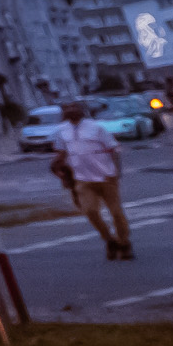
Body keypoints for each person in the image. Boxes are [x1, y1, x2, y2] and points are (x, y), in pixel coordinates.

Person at [45, 101, 135, 260]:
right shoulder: (61, 131)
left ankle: (124, 242)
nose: (71, 110)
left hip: (106, 177)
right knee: (90, 211)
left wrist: (116, 172)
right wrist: (57, 168)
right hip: (82, 179)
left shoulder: (96, 128)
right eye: (67, 108)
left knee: (116, 212)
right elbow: (62, 153)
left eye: (74, 107)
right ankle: (109, 240)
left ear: (82, 110)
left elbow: (113, 149)